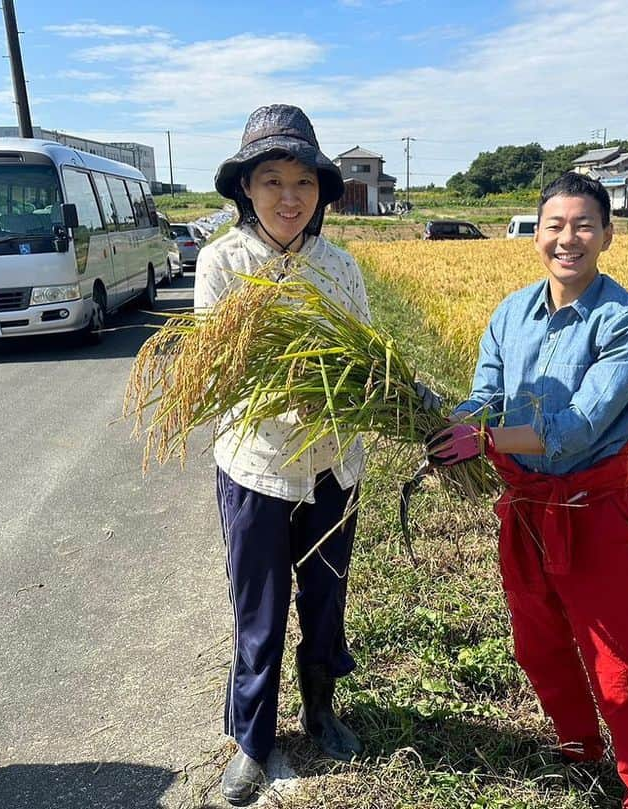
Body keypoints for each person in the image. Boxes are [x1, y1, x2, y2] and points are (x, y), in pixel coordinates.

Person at [426, 172, 628, 809]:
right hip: (524, 508)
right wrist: (450, 421)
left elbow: (576, 429)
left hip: (593, 513)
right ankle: (578, 747)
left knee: (620, 666)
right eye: (554, 225)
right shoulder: (511, 313)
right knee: (537, 644)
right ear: (536, 233)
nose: (568, 238)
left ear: (607, 235)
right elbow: (486, 395)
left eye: (584, 225)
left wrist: (483, 443)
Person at [194, 104, 373, 806]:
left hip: (333, 465)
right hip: (257, 467)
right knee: (258, 610)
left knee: (325, 599)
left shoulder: (340, 267)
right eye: (272, 180)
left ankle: (321, 705)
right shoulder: (222, 264)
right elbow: (222, 370)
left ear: (322, 192)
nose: (289, 197)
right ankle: (252, 739)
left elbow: (364, 363)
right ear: (245, 188)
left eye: (303, 181)